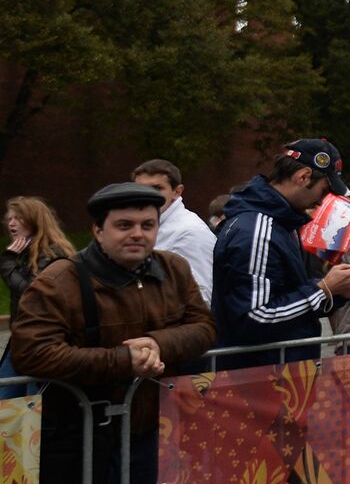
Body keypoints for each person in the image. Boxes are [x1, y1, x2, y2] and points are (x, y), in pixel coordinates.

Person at [10, 183, 215, 483]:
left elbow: (205, 327)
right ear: (97, 230)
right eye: (124, 225)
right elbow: (31, 353)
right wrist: (123, 360)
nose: (138, 234)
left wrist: (159, 343)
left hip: (152, 428)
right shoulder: (58, 281)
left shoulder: (174, 269)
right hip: (79, 434)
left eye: (148, 225)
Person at [211, 138, 350, 369]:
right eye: (324, 190)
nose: (322, 199)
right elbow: (254, 317)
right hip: (259, 379)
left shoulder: (281, 222)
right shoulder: (259, 230)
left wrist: (338, 290)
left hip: (279, 375)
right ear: (303, 177)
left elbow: (286, 292)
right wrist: (324, 289)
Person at [0, 196, 76, 398]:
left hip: (42, 343)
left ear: (35, 220)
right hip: (22, 341)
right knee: (7, 404)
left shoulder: (53, 254)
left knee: (32, 406)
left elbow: (33, 294)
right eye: (9, 219)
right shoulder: (26, 252)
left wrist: (7, 263)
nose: (11, 224)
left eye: (18, 218)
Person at [131, 159, 218, 304]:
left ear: (177, 191)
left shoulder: (190, 232)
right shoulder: (149, 225)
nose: (148, 195)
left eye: (157, 188)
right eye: (141, 189)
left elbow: (203, 296)